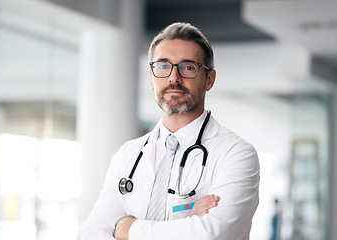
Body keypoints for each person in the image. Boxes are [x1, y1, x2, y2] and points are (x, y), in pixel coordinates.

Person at [80, 22, 260, 240]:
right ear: (151, 78)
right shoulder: (128, 155)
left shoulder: (236, 154)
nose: (174, 78)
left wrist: (127, 229)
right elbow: (91, 233)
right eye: (163, 66)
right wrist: (185, 226)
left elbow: (210, 235)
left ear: (209, 80)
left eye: (187, 67)